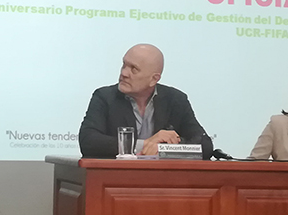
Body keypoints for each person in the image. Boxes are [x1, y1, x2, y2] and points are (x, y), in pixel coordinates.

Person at [78, 44, 209, 158]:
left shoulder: (175, 100)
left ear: (154, 79)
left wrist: (164, 148)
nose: (124, 73)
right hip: (116, 179)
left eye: (133, 69)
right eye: (124, 65)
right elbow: (89, 141)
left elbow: (205, 145)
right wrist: (145, 144)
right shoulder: (105, 97)